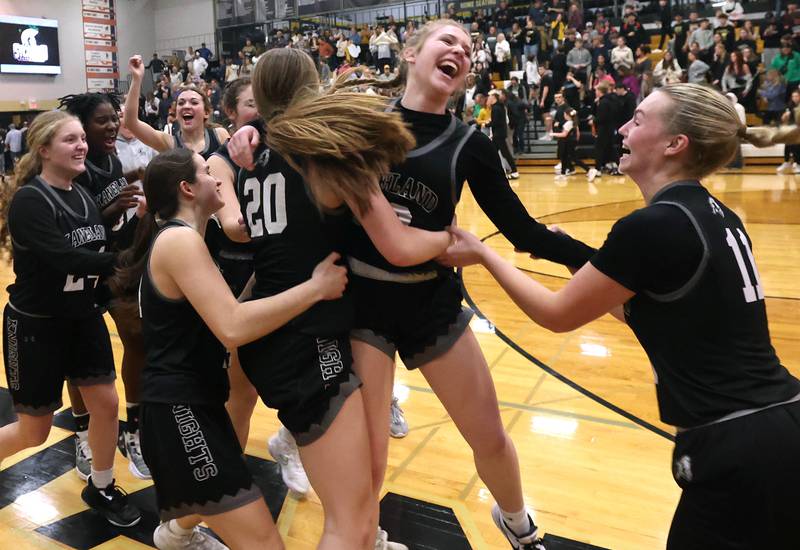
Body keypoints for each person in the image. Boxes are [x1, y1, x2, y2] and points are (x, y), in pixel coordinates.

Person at [225, 20, 597, 550]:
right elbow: (291, 120)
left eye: (468, 50)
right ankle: (366, 536)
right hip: (362, 305)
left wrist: (598, 263)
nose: (460, 51)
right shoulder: (358, 119)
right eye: (448, 41)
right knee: (370, 461)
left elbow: (524, 232)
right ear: (412, 53)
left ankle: (517, 522)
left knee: (487, 433)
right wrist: (254, 128)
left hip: (429, 298)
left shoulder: (470, 143)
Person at [440, 83, 800, 550]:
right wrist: (580, 260)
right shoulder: (717, 215)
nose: (624, 128)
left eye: (640, 119)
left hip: (739, 446)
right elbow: (650, 311)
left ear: (675, 144)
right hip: (780, 424)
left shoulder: (654, 225)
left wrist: (484, 255)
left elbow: (555, 315)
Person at [217, 47, 456, 550]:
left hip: (268, 330)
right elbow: (398, 245)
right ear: (313, 83)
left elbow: (250, 234)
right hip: (307, 339)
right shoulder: (320, 156)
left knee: (354, 514)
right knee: (353, 521)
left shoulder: (250, 157)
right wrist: (452, 242)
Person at [119, 148, 346, 549]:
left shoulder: (187, 240)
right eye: (208, 172)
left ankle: (176, 535)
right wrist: (314, 288)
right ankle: (177, 535)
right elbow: (233, 327)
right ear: (188, 189)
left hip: (196, 404)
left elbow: (230, 310)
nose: (218, 178)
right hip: (178, 411)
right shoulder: (179, 241)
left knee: (212, 501)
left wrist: (274, 274)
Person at [0, 110, 142, 527]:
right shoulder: (30, 200)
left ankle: (100, 486)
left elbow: (98, 247)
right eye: (70, 140)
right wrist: (127, 260)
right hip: (35, 326)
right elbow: (65, 259)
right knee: (34, 431)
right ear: (43, 149)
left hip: (81, 318)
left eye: (82, 138)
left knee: (107, 403)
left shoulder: (82, 193)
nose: (82, 145)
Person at [58, 92, 149, 480]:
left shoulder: (111, 160)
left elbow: (112, 201)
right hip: (79, 271)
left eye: (114, 118)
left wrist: (134, 179)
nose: (112, 125)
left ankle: (136, 427)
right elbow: (73, 223)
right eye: (101, 121)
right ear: (81, 127)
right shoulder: (72, 171)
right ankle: (82, 431)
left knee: (137, 338)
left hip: (114, 263)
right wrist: (109, 210)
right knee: (79, 355)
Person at [125, 55, 230, 160]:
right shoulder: (169, 143)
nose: (186, 106)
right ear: (176, 114)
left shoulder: (220, 135)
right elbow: (131, 122)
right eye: (181, 103)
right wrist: (136, 79)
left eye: (194, 102)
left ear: (206, 112)